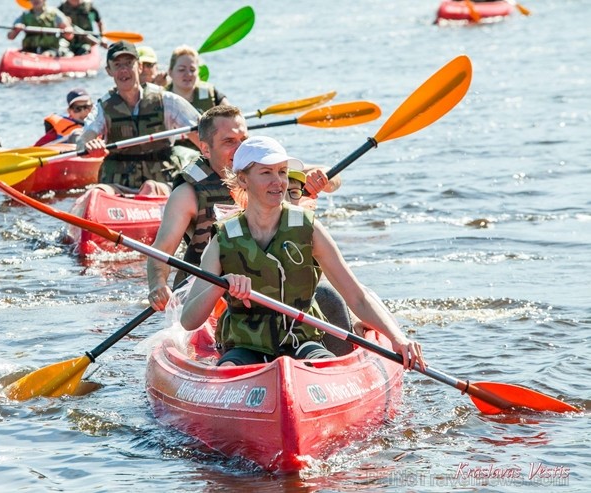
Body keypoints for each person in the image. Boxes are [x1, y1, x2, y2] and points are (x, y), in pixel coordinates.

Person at [180, 136, 427, 368]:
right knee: (230, 366)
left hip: (303, 341)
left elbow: (357, 297)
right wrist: (221, 284)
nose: (278, 182)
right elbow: (189, 320)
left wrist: (398, 338)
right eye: (266, 173)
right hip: (245, 345)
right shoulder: (223, 238)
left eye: (282, 172)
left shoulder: (309, 229)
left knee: (324, 366)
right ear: (243, 180)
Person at [147, 105, 337, 312]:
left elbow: (332, 176)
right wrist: (158, 284)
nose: (240, 149)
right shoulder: (187, 194)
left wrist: (321, 180)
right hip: (213, 289)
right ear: (206, 149)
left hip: (269, 281)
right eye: (229, 141)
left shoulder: (267, 169)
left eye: (244, 140)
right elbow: (162, 249)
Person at [78, 41, 202, 190]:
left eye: (129, 63)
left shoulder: (167, 101)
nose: (124, 70)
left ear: (140, 67)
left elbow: (203, 136)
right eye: (117, 65)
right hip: (119, 186)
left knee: (150, 188)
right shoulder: (102, 108)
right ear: (109, 70)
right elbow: (83, 140)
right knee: (96, 192)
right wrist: (89, 145)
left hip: (162, 184)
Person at [8, 0, 74, 57]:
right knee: (27, 54)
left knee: (46, 54)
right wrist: (16, 30)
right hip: (29, 50)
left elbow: (69, 35)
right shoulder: (25, 15)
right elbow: (10, 37)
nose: (35, 0)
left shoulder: (54, 13)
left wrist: (67, 31)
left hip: (50, 49)